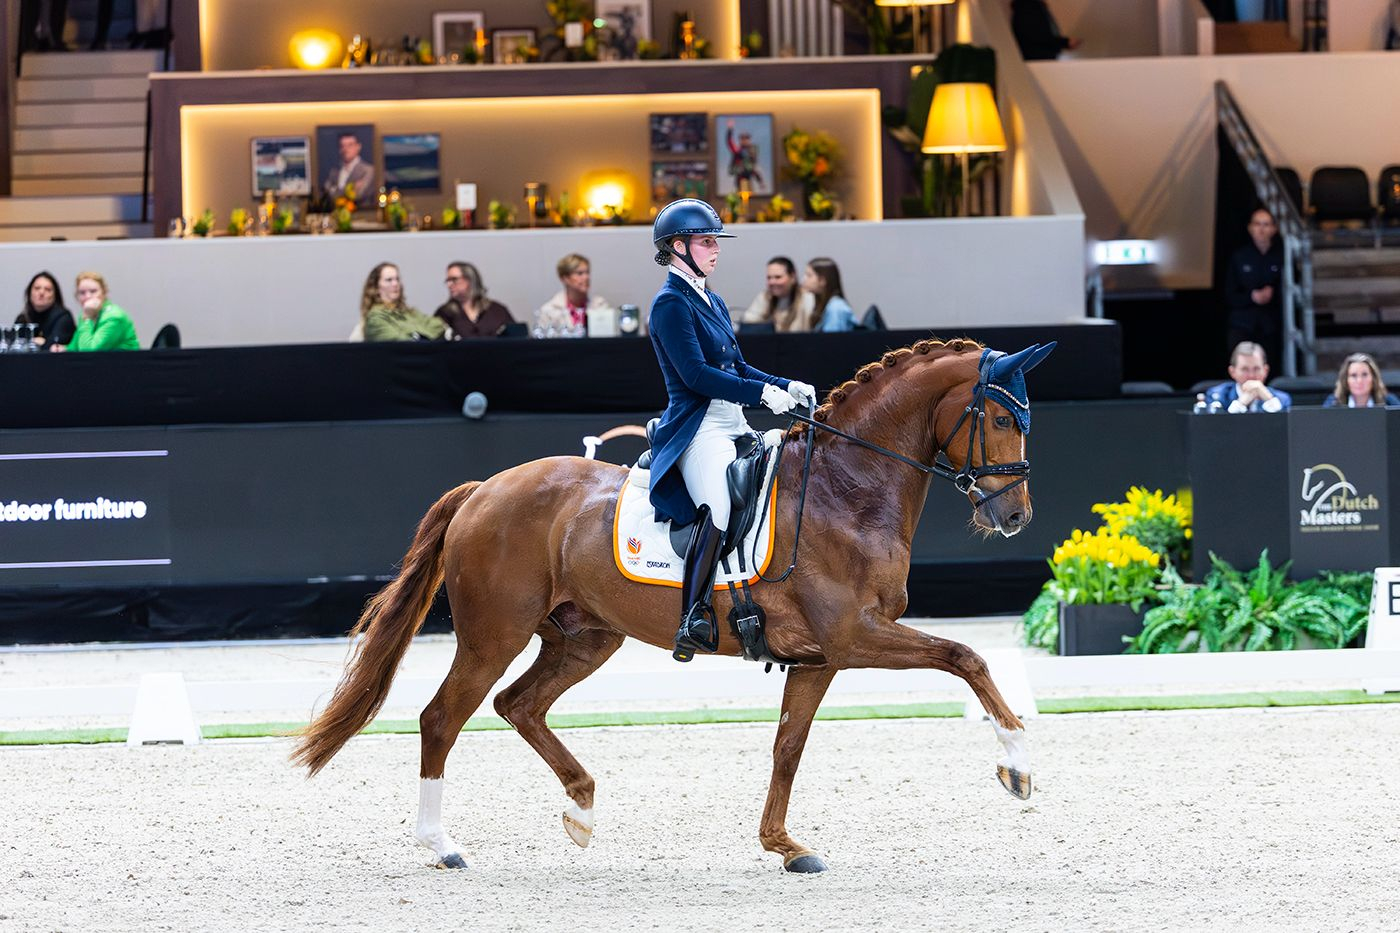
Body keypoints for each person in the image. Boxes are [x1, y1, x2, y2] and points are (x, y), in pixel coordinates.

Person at [644, 198, 815, 662]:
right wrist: (761, 395)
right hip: (698, 427)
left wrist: (784, 384)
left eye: (715, 241)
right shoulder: (669, 304)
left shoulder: (712, 299)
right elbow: (697, 376)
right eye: (706, 241)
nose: (716, 249)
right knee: (717, 506)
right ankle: (693, 616)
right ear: (678, 247)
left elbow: (737, 366)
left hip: (732, 421)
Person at [1224, 208, 1284, 367]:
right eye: (1257, 224)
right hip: (1242, 324)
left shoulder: (1282, 257)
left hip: (1270, 325)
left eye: (1266, 224)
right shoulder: (1239, 257)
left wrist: (1273, 293)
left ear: (1274, 229)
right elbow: (1229, 294)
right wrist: (1252, 297)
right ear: (1250, 228)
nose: (1261, 229)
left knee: (1269, 368)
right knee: (1242, 368)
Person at [55, 272, 138, 352]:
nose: (88, 296)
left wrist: (87, 319)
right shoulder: (87, 313)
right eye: (82, 293)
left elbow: (89, 353)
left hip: (124, 361)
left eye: (93, 291)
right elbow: (75, 347)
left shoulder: (114, 316)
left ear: (104, 292)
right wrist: (64, 349)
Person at [361, 262, 444, 342]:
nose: (395, 284)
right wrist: (422, 335)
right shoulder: (375, 318)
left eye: (397, 279)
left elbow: (439, 326)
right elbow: (401, 343)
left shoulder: (410, 312)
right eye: (389, 280)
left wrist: (418, 336)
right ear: (376, 287)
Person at [536, 253, 613, 336]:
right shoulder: (549, 310)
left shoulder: (600, 305)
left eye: (587, 272)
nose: (586, 277)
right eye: (580, 273)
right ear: (565, 278)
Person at [1204, 341, 1292, 413]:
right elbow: (1219, 426)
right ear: (1232, 372)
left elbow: (1284, 425)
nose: (1251, 375)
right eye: (1245, 369)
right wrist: (1241, 402)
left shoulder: (1281, 399)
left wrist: (1268, 399)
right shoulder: (1218, 395)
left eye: (1256, 369)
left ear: (1266, 370)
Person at [435, 262, 515, 338]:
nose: (449, 284)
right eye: (447, 281)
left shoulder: (497, 311)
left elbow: (515, 338)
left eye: (454, 279)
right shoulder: (444, 313)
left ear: (470, 279)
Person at [737, 256, 814, 331]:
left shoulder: (806, 298)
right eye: (769, 278)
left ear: (792, 277)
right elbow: (748, 322)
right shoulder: (765, 297)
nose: (772, 282)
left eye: (778, 277)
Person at [17, 271, 75, 349]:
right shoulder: (23, 318)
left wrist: (43, 343)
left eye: (47, 289)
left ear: (55, 295)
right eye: (37, 288)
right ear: (29, 292)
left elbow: (53, 346)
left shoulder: (64, 317)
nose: (41, 293)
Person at [1323, 353, 1400, 408]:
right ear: (1346, 380)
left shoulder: (1389, 402)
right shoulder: (1333, 403)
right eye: (1353, 375)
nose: (1359, 381)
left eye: (1364, 375)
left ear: (1373, 378)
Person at [1011, 0, 1081, 61]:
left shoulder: (1030, 7)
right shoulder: (1027, 7)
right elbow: (1037, 35)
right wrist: (1065, 42)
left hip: (1041, 57)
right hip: (1038, 58)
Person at [802, 257, 857, 332]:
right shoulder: (826, 306)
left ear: (822, 280)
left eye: (809, 276)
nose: (803, 279)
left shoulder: (836, 308)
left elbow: (832, 338)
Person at [323, 132, 375, 208]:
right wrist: (351, 188)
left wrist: (334, 190)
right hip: (335, 212)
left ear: (358, 146)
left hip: (361, 213)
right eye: (342, 146)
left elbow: (358, 195)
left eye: (350, 145)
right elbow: (326, 193)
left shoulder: (369, 170)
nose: (345, 149)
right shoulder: (334, 171)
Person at [725, 119, 764, 193]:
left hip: (748, 178)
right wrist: (730, 130)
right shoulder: (738, 151)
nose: (744, 141)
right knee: (742, 194)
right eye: (742, 139)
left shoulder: (753, 150)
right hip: (740, 179)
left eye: (746, 139)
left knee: (749, 193)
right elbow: (730, 143)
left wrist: (760, 182)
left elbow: (754, 168)